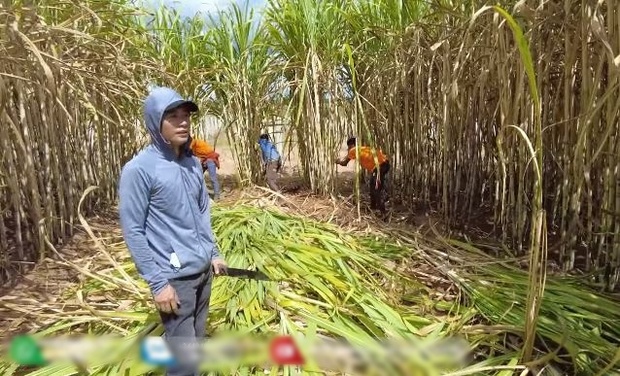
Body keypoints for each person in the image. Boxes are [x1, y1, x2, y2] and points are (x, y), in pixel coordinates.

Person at [118, 86, 228, 376]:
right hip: (175, 280)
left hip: (203, 273)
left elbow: (203, 212)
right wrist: (157, 283)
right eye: (173, 116)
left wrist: (213, 254)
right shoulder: (139, 170)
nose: (183, 122)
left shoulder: (192, 162)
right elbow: (133, 229)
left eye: (186, 116)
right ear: (155, 122)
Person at [336, 137, 391, 213]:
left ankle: (383, 211)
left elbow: (344, 163)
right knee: (373, 187)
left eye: (348, 147)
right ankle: (373, 207)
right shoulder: (363, 148)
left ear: (350, 145)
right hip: (385, 164)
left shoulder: (353, 150)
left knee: (375, 190)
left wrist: (337, 161)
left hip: (379, 167)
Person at [189, 136, 221, 200]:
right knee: (198, 176)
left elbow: (190, 148)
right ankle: (198, 194)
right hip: (204, 160)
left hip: (210, 160)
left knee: (213, 178)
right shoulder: (193, 147)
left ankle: (217, 196)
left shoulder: (194, 142)